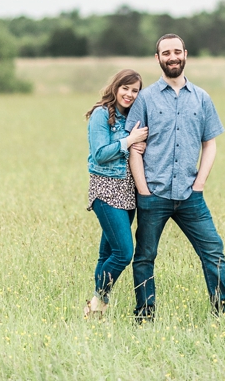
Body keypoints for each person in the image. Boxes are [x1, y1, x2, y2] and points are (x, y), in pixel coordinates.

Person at [126, 33, 225, 320]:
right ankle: (145, 315)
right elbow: (134, 148)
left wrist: (200, 184)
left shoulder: (202, 98)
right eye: (165, 53)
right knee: (145, 257)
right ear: (157, 59)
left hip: (190, 196)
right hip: (153, 195)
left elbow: (210, 142)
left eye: (177, 51)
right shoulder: (145, 99)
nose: (172, 57)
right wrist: (144, 191)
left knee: (214, 252)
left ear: (186, 53)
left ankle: (223, 311)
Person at [84, 69, 148, 317]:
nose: (130, 94)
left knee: (107, 253)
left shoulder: (134, 116)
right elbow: (100, 153)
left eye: (135, 90)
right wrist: (129, 141)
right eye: (126, 88)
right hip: (106, 189)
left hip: (129, 192)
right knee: (123, 252)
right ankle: (98, 301)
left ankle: (95, 313)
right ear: (115, 87)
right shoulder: (101, 115)